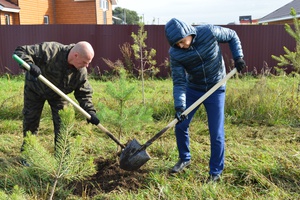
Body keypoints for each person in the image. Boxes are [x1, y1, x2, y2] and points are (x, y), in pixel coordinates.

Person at [164, 18, 246, 182]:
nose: (181, 45)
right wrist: (180, 106)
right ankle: (184, 158)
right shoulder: (175, 53)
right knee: (181, 125)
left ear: (189, 33)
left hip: (216, 88)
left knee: (216, 133)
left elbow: (232, 35)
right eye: (177, 44)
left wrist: (238, 57)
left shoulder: (208, 32)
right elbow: (179, 81)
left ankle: (215, 172)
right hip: (194, 88)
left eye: (182, 41)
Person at [14, 41, 100, 165]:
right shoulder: (50, 51)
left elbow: (83, 93)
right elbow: (20, 50)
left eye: (88, 62)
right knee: (30, 121)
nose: (86, 66)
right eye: (84, 62)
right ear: (76, 55)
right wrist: (30, 64)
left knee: (63, 124)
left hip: (59, 94)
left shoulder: (80, 71)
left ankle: (62, 157)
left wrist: (90, 111)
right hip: (35, 89)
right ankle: (28, 154)